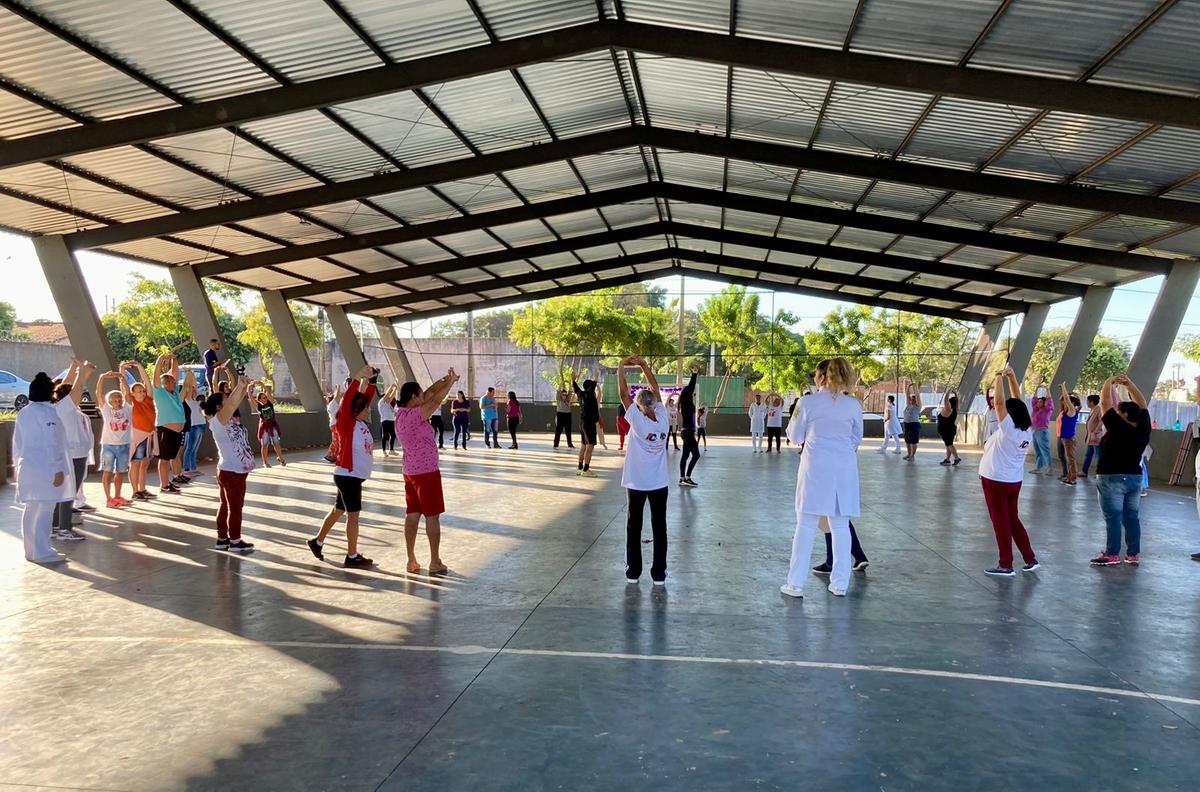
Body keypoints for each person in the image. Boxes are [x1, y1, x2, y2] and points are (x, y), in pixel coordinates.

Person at [781, 358, 863, 598]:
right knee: (840, 526)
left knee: (805, 524)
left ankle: (795, 584)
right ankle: (840, 584)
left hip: (815, 469)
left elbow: (795, 436)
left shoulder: (806, 402)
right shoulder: (854, 405)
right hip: (844, 470)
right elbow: (856, 438)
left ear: (822, 377)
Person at [308, 366, 381, 568]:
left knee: (338, 510)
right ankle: (351, 555)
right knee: (353, 517)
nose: (368, 409)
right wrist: (358, 378)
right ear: (356, 411)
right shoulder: (346, 424)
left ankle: (317, 542)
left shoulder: (360, 424)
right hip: (348, 476)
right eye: (365, 408)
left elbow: (364, 398)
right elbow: (349, 399)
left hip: (350, 476)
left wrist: (372, 381)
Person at [392, 368, 459, 575]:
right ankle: (435, 561)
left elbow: (430, 393)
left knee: (412, 514)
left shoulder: (400, 414)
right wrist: (450, 384)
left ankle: (411, 559)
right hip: (427, 473)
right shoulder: (413, 416)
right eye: (419, 395)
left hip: (410, 471)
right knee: (432, 516)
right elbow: (434, 401)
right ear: (413, 398)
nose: (424, 396)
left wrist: (444, 380)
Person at [979, 366, 1039, 577]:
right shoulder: (1026, 430)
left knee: (1001, 523)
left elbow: (998, 403)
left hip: (996, 481)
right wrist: (1012, 378)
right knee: (1012, 520)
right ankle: (1030, 558)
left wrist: (998, 378)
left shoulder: (1008, 429)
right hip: (1013, 481)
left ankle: (1006, 564)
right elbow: (1017, 400)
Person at [618, 356, 669, 585]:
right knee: (660, 528)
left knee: (633, 527)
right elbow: (656, 389)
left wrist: (622, 366)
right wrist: (644, 366)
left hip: (637, 483)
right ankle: (659, 574)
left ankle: (633, 573)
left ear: (638, 406)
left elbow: (622, 394)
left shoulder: (637, 421)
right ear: (655, 404)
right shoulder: (664, 418)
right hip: (659, 483)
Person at [1091, 373, 1151, 566]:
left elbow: (1105, 403)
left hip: (1111, 478)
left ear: (1124, 415)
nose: (1115, 413)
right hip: (1134, 478)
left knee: (1113, 516)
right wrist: (1130, 385)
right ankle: (1132, 554)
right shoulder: (1143, 428)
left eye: (1119, 412)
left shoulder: (1118, 426)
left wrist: (1109, 381)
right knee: (1132, 516)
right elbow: (1142, 405)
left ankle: (1112, 553)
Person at [14, 373, 72, 564]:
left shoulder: (24, 412)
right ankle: (42, 551)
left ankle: (30, 550)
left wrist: (17, 466)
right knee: (46, 508)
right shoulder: (47, 413)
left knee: (31, 508)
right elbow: (52, 442)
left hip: (27, 466)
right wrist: (57, 469)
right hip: (45, 468)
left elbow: (17, 442)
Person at [203, 376, 256, 553]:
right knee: (235, 508)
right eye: (225, 399)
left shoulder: (224, 421)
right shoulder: (219, 421)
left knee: (226, 505)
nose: (229, 400)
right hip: (232, 471)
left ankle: (222, 539)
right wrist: (239, 386)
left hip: (230, 469)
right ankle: (234, 541)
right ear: (219, 407)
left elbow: (235, 402)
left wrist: (243, 387)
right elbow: (232, 404)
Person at [52, 360, 95, 539]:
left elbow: (67, 385)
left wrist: (78, 370)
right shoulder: (65, 408)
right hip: (73, 455)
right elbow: (75, 388)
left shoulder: (62, 407)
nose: (78, 394)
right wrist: (82, 373)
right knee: (68, 492)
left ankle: (55, 526)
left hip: (73, 454)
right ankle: (64, 528)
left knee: (63, 492)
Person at [151, 352, 188, 493]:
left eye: (173, 381)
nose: (174, 382)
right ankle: (164, 484)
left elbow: (175, 372)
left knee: (172, 457)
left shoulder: (176, 393)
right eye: (171, 381)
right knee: (164, 459)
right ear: (164, 383)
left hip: (177, 431)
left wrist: (174, 360)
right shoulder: (159, 392)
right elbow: (155, 377)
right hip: (165, 430)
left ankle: (169, 482)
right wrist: (160, 359)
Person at [96, 368, 133, 508]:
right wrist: (102, 378)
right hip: (109, 446)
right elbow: (98, 394)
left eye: (119, 399)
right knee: (107, 472)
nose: (118, 401)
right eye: (114, 400)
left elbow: (127, 393)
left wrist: (121, 378)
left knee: (120, 472)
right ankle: (108, 498)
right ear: (110, 402)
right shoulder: (106, 410)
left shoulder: (127, 409)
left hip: (124, 445)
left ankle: (118, 496)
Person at [125, 360, 156, 501]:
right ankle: (135, 491)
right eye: (138, 391)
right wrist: (121, 370)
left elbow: (147, 383)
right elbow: (124, 387)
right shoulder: (131, 402)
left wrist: (139, 367)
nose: (141, 393)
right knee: (136, 463)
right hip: (137, 436)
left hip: (149, 435)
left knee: (145, 463)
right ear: (132, 393)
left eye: (142, 391)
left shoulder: (148, 400)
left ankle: (142, 489)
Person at [250, 383, 286, 467]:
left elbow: (268, 392)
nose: (265, 398)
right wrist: (249, 388)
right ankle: (265, 462)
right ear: (259, 399)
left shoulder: (270, 403)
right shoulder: (258, 406)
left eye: (265, 397)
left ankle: (281, 458)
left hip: (273, 425)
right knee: (265, 445)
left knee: (276, 443)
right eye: (263, 398)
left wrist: (261, 384)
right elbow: (251, 397)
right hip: (264, 427)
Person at [572, 372, 600, 476]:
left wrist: (573, 380)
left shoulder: (581, 394)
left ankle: (579, 468)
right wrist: (595, 379)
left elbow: (576, 388)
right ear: (590, 388)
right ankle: (586, 470)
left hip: (582, 422)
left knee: (583, 445)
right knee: (589, 447)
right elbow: (592, 387)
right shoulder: (589, 395)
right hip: (589, 424)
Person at [180, 370, 206, 477]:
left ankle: (193, 468)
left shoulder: (196, 401)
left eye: (195, 389)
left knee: (195, 449)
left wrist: (192, 375)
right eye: (192, 390)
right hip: (193, 426)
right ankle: (186, 468)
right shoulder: (188, 400)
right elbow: (188, 385)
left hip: (201, 425)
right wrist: (189, 374)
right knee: (190, 447)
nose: (194, 390)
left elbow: (194, 385)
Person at [678, 368, 701, 486]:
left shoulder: (685, 404)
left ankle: (682, 478)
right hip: (687, 432)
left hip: (686, 432)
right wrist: (694, 375)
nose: (692, 393)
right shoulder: (686, 403)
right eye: (691, 393)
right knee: (696, 455)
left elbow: (690, 389)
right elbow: (691, 387)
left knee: (685, 455)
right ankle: (687, 477)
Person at [1057, 383, 1080, 485]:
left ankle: (1073, 477)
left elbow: (1066, 399)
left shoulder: (1072, 411)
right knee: (1068, 458)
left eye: (1067, 402)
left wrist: (1063, 387)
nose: (1065, 403)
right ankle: (1069, 476)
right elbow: (1063, 399)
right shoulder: (1066, 412)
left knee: (1071, 459)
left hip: (1069, 439)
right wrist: (1067, 392)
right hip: (1064, 438)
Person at [1030, 389, 1054, 473]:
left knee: (1045, 450)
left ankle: (1050, 468)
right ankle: (1038, 468)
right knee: (1038, 451)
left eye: (1040, 402)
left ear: (1044, 403)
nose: (1038, 403)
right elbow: (1034, 400)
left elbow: (1049, 401)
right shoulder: (1036, 410)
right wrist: (1036, 389)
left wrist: (1048, 390)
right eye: (1038, 402)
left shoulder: (1047, 410)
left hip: (1042, 431)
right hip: (1035, 431)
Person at [936, 388, 961, 466]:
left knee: (949, 445)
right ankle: (947, 459)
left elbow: (945, 400)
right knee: (948, 444)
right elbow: (957, 401)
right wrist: (956, 394)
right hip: (950, 429)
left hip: (946, 430)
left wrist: (948, 391)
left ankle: (957, 458)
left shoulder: (948, 410)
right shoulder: (955, 409)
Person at [1081, 394, 1103, 478]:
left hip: (1096, 437)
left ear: (1091, 402)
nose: (1086, 403)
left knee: (1098, 455)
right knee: (1088, 454)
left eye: (1087, 401)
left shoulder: (1098, 409)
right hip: (1091, 436)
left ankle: (1099, 473)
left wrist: (1096, 431)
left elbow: (1101, 421)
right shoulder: (1093, 410)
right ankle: (1084, 471)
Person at [902, 382, 922, 461]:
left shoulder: (917, 407)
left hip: (914, 425)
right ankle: (908, 454)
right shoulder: (908, 405)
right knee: (907, 441)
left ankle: (912, 456)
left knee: (913, 442)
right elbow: (907, 395)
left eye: (914, 399)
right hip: (907, 425)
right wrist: (909, 386)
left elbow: (918, 396)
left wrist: (916, 387)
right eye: (911, 399)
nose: (912, 400)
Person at [378, 383, 398, 457]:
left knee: (393, 435)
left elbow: (391, 396)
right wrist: (391, 386)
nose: (389, 398)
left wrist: (395, 389)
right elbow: (387, 395)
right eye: (387, 397)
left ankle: (391, 450)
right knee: (385, 435)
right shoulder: (381, 402)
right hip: (385, 421)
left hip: (391, 420)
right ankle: (384, 451)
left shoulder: (388, 404)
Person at [324, 385, 341, 463]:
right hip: (336, 425)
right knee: (337, 440)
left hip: (332, 424)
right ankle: (332, 455)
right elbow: (337, 396)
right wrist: (338, 388)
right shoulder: (334, 404)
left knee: (335, 440)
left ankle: (333, 455)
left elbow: (335, 396)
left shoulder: (330, 405)